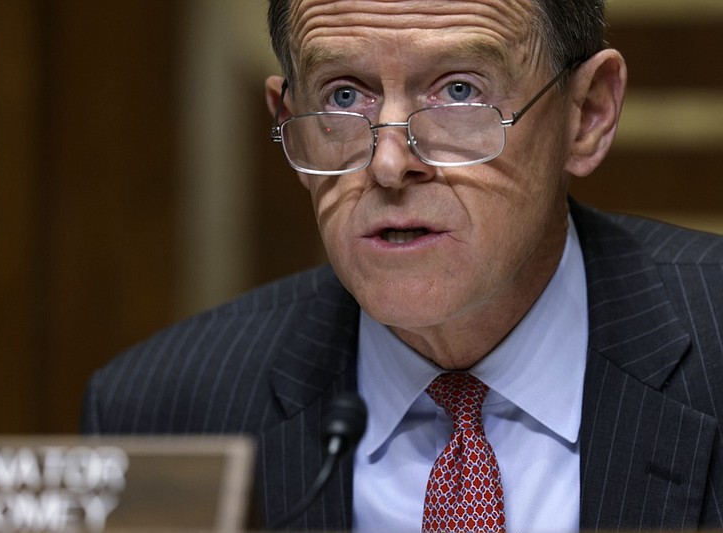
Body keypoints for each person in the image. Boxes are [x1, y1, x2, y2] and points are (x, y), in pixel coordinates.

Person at [81, 0, 723, 530]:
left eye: (459, 91)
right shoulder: (162, 414)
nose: (389, 164)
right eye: (341, 97)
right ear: (289, 123)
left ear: (588, 114)